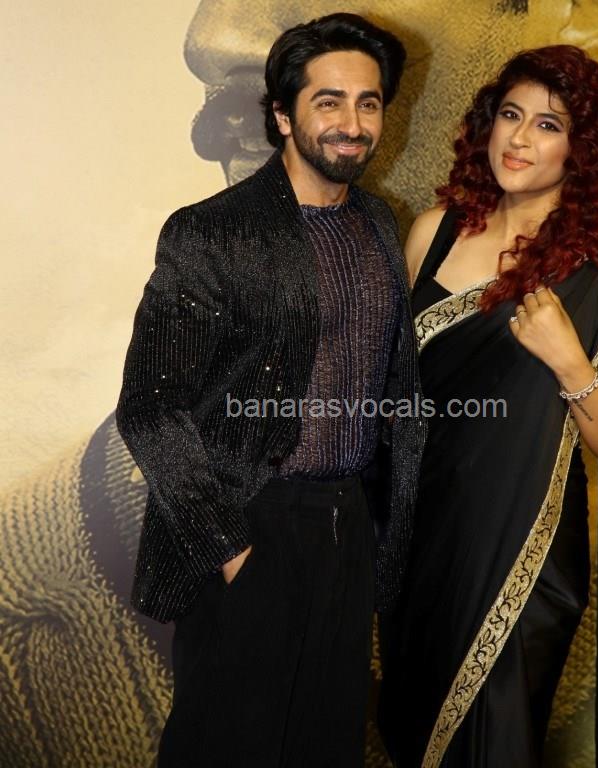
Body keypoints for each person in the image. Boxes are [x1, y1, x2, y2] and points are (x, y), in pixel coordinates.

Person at [115, 13, 425, 767]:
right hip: (252, 520)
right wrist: (233, 553)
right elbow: (150, 411)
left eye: (369, 102)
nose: (353, 124)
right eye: (329, 102)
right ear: (283, 115)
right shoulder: (212, 232)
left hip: (349, 527)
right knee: (227, 747)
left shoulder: (380, 223)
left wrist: (385, 526)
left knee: (328, 744)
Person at [377, 45, 598, 767]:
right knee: (412, 737)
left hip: (522, 554)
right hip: (418, 544)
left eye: (548, 125)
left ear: (582, 150)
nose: (519, 139)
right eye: (510, 115)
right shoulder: (433, 234)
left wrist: (568, 360)